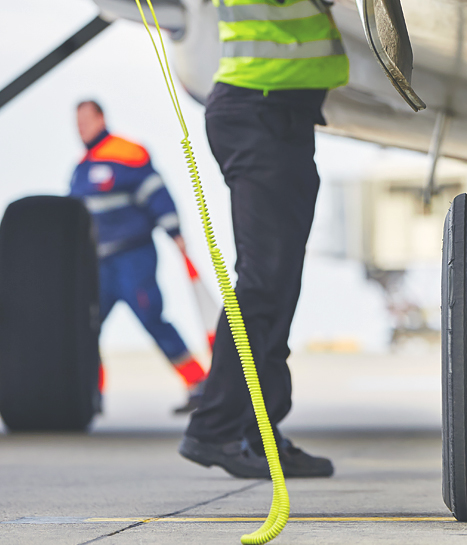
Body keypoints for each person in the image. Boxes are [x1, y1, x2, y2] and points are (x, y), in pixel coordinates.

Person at [178, 0, 347, 479]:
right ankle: (215, 430)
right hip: (259, 112)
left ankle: (258, 433)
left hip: (281, 114)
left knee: (277, 286)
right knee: (263, 282)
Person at [69, 100, 208, 413]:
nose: (81, 129)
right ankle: (91, 391)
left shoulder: (127, 154)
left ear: (101, 118)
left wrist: (175, 233)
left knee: (151, 318)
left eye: (86, 121)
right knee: (86, 326)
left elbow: (155, 193)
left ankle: (199, 384)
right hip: (99, 265)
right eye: (77, 124)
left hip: (133, 257)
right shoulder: (81, 168)